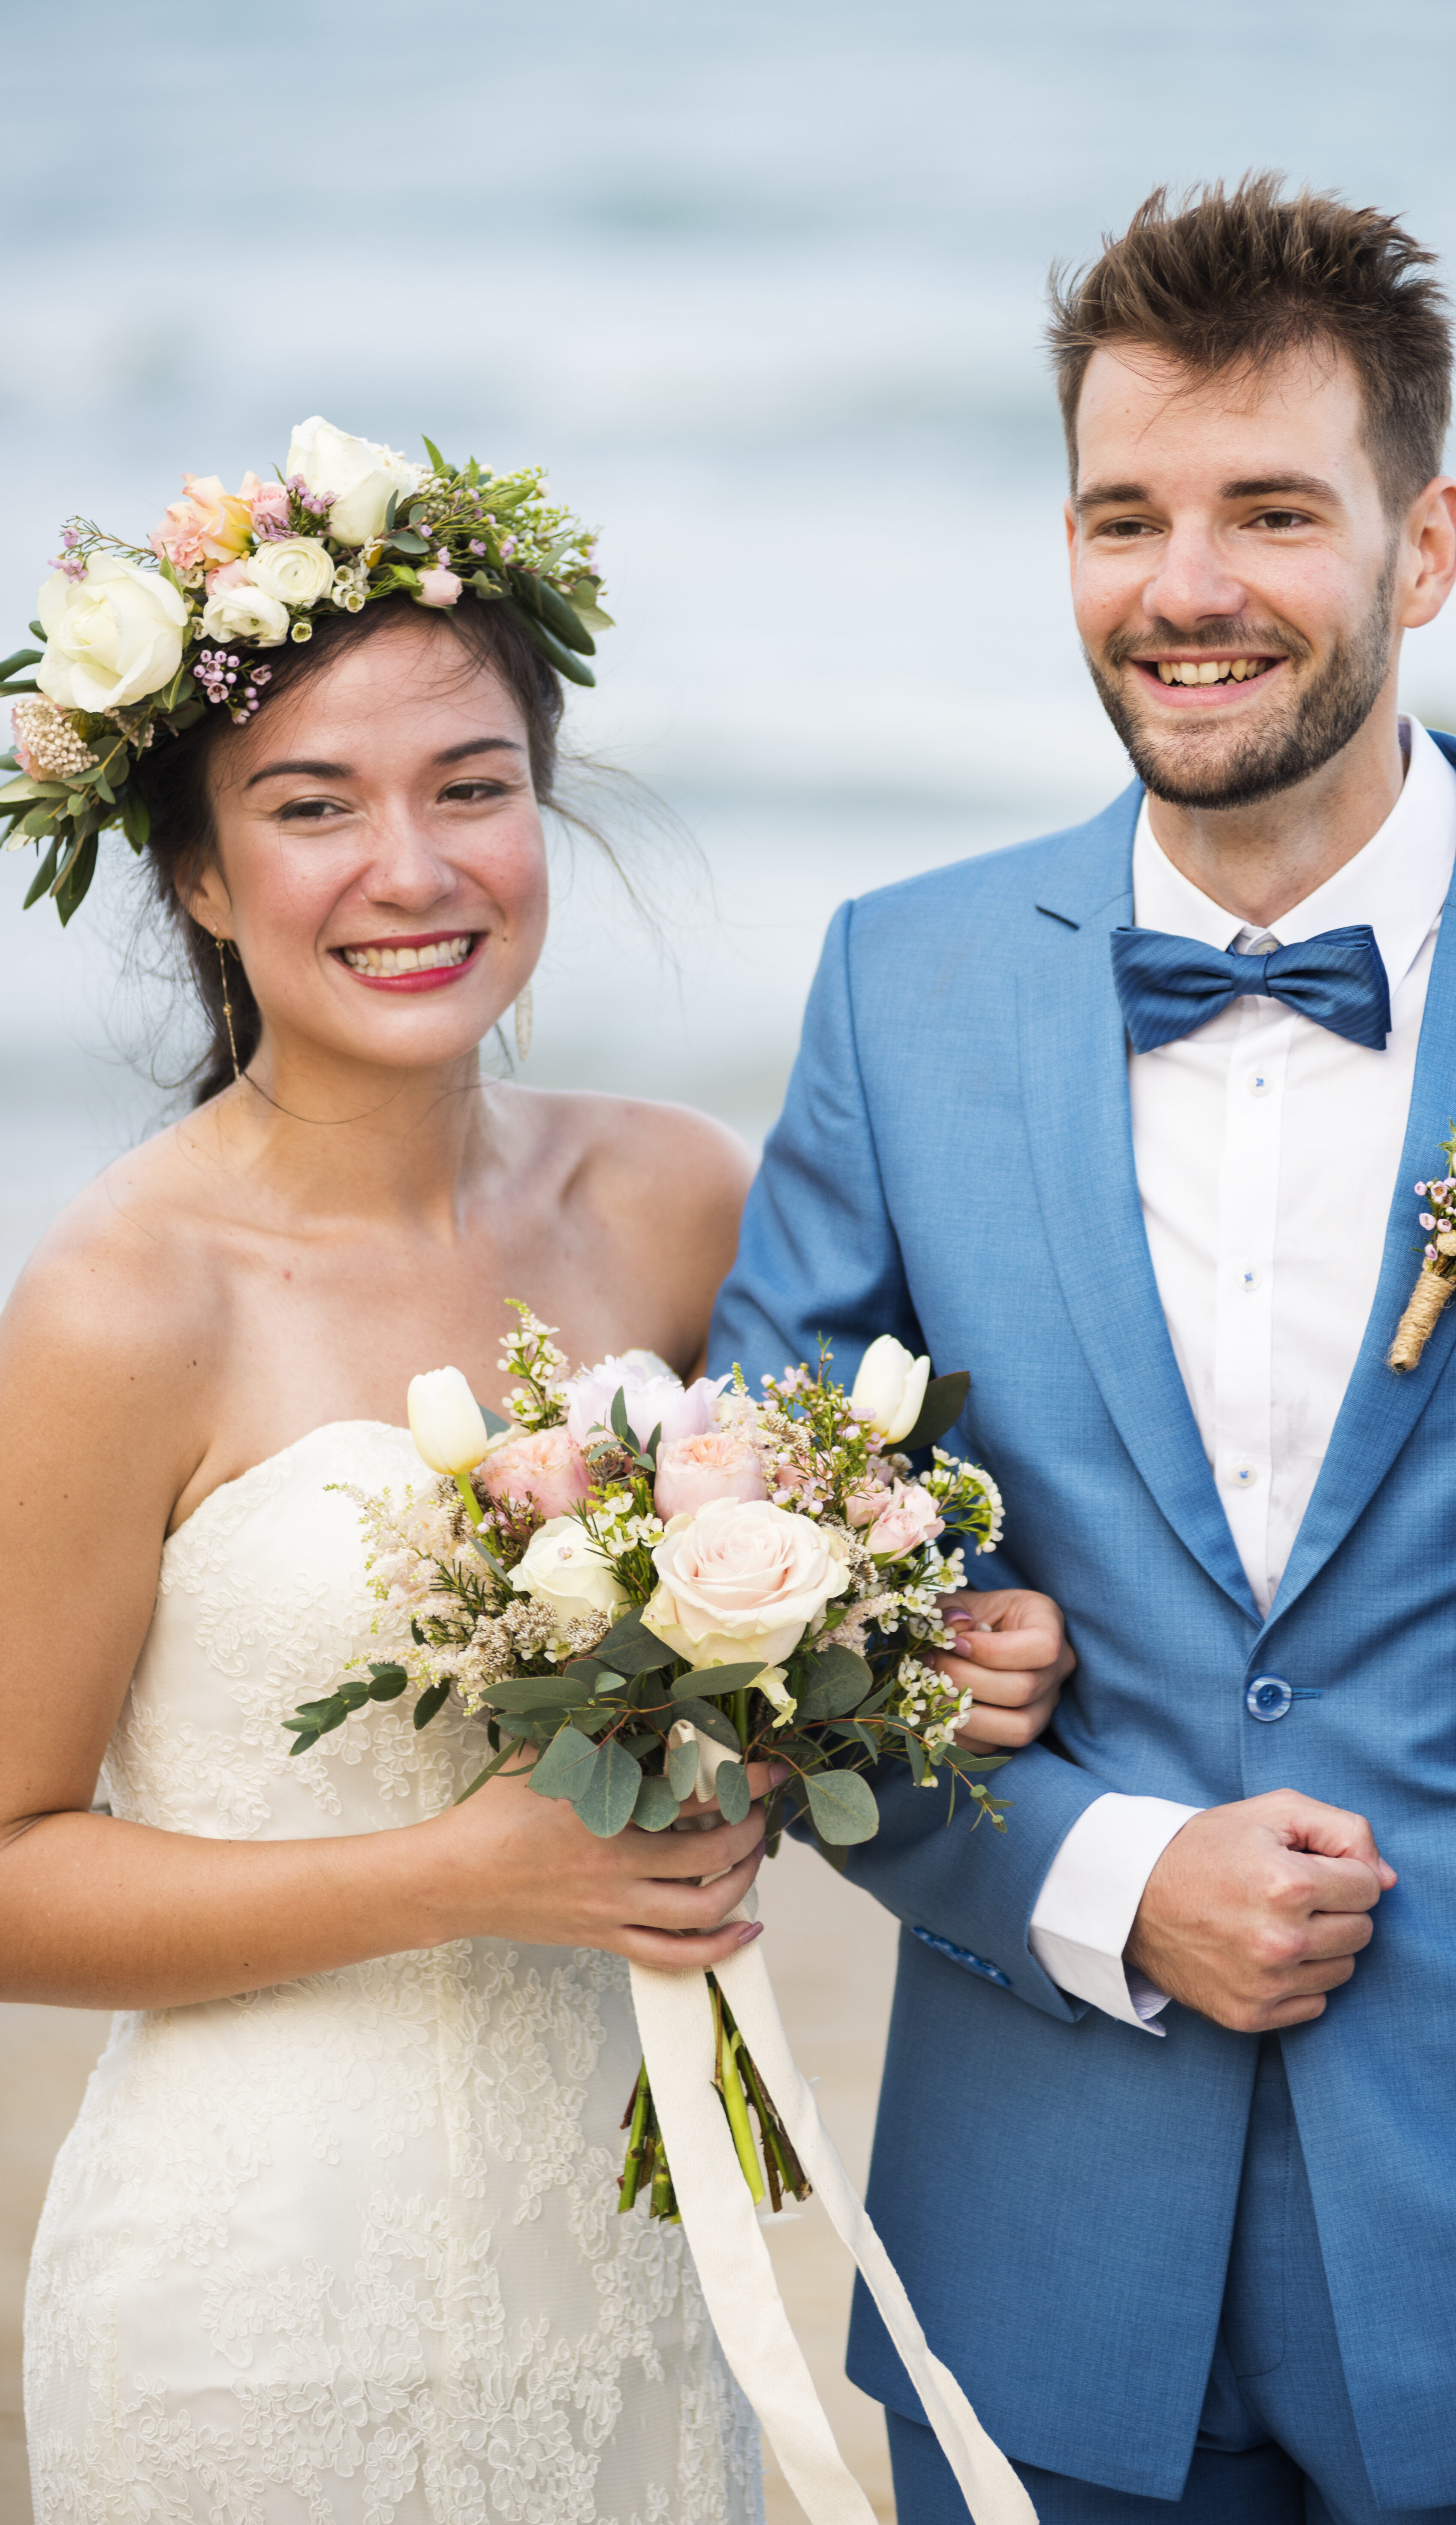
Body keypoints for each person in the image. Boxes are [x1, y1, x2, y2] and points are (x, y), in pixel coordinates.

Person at [709, 175, 1456, 2520]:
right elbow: (745, 1607)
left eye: (1273, 511)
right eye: (1122, 516)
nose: (1184, 591)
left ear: (1429, 543)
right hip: (1041, 2283)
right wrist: (1089, 1871)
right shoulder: (901, 979)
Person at [1, 432, 1068, 2525]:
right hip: (260, 2291)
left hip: (626, 2236)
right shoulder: (117, 1306)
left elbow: (793, 1612)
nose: (411, 869)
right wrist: (458, 1877)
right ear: (201, 877)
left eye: (469, 786)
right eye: (310, 808)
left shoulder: (677, 1196)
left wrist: (935, 1645)